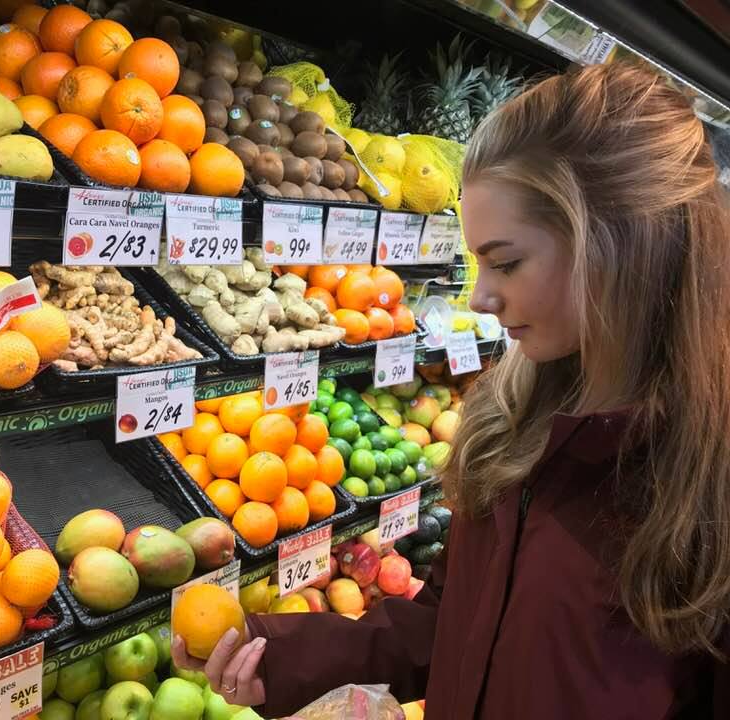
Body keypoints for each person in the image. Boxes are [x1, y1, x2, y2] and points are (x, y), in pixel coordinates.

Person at [172, 63, 730, 718]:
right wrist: (281, 655)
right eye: (476, 262)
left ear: (620, 246)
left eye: (507, 261)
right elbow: (451, 630)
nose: (481, 297)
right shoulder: (518, 425)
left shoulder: (703, 487)